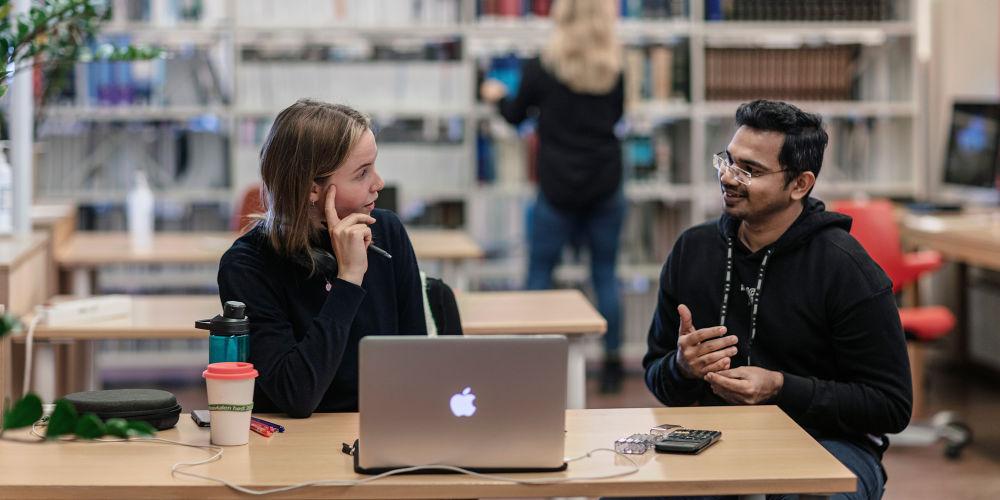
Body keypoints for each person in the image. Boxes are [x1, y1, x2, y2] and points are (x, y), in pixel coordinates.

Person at [643, 100, 912, 499]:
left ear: (800, 185)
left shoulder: (846, 269)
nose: (728, 178)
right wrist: (681, 368)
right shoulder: (693, 251)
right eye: (727, 161)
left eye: (749, 170)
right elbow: (656, 373)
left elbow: (891, 406)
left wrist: (781, 388)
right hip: (713, 436)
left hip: (828, 440)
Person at [218, 99, 429, 418]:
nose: (379, 183)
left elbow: (418, 365)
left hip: (381, 426)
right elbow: (296, 395)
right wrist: (349, 279)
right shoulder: (248, 265)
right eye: (362, 173)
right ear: (311, 189)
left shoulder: (386, 231)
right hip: (292, 445)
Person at [480, 0, 627, 393]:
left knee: (539, 273)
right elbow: (616, 117)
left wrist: (495, 96)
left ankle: (530, 365)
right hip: (605, 182)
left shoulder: (542, 65)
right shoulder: (614, 66)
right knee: (605, 276)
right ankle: (612, 368)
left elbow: (515, 116)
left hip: (557, 184)